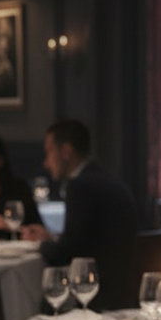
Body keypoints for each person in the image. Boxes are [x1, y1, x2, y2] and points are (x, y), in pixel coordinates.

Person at [23, 120, 138, 310]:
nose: (45, 162)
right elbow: (88, 239)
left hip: (96, 295)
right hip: (120, 289)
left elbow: (67, 253)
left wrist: (38, 245)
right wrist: (51, 237)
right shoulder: (103, 178)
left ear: (67, 151)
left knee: (39, 299)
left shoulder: (80, 186)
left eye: (49, 152)